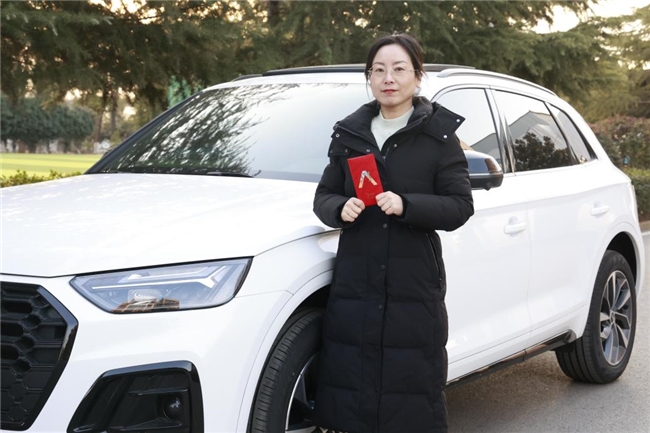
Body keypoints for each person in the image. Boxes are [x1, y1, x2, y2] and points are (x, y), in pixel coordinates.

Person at [312, 33, 474, 433]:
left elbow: (459, 206)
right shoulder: (350, 133)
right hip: (356, 278)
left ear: (417, 77)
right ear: (369, 77)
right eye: (379, 70)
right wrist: (339, 208)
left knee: (411, 380)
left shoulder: (439, 135)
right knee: (352, 373)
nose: (388, 78)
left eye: (399, 69)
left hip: (412, 281)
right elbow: (324, 195)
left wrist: (407, 205)